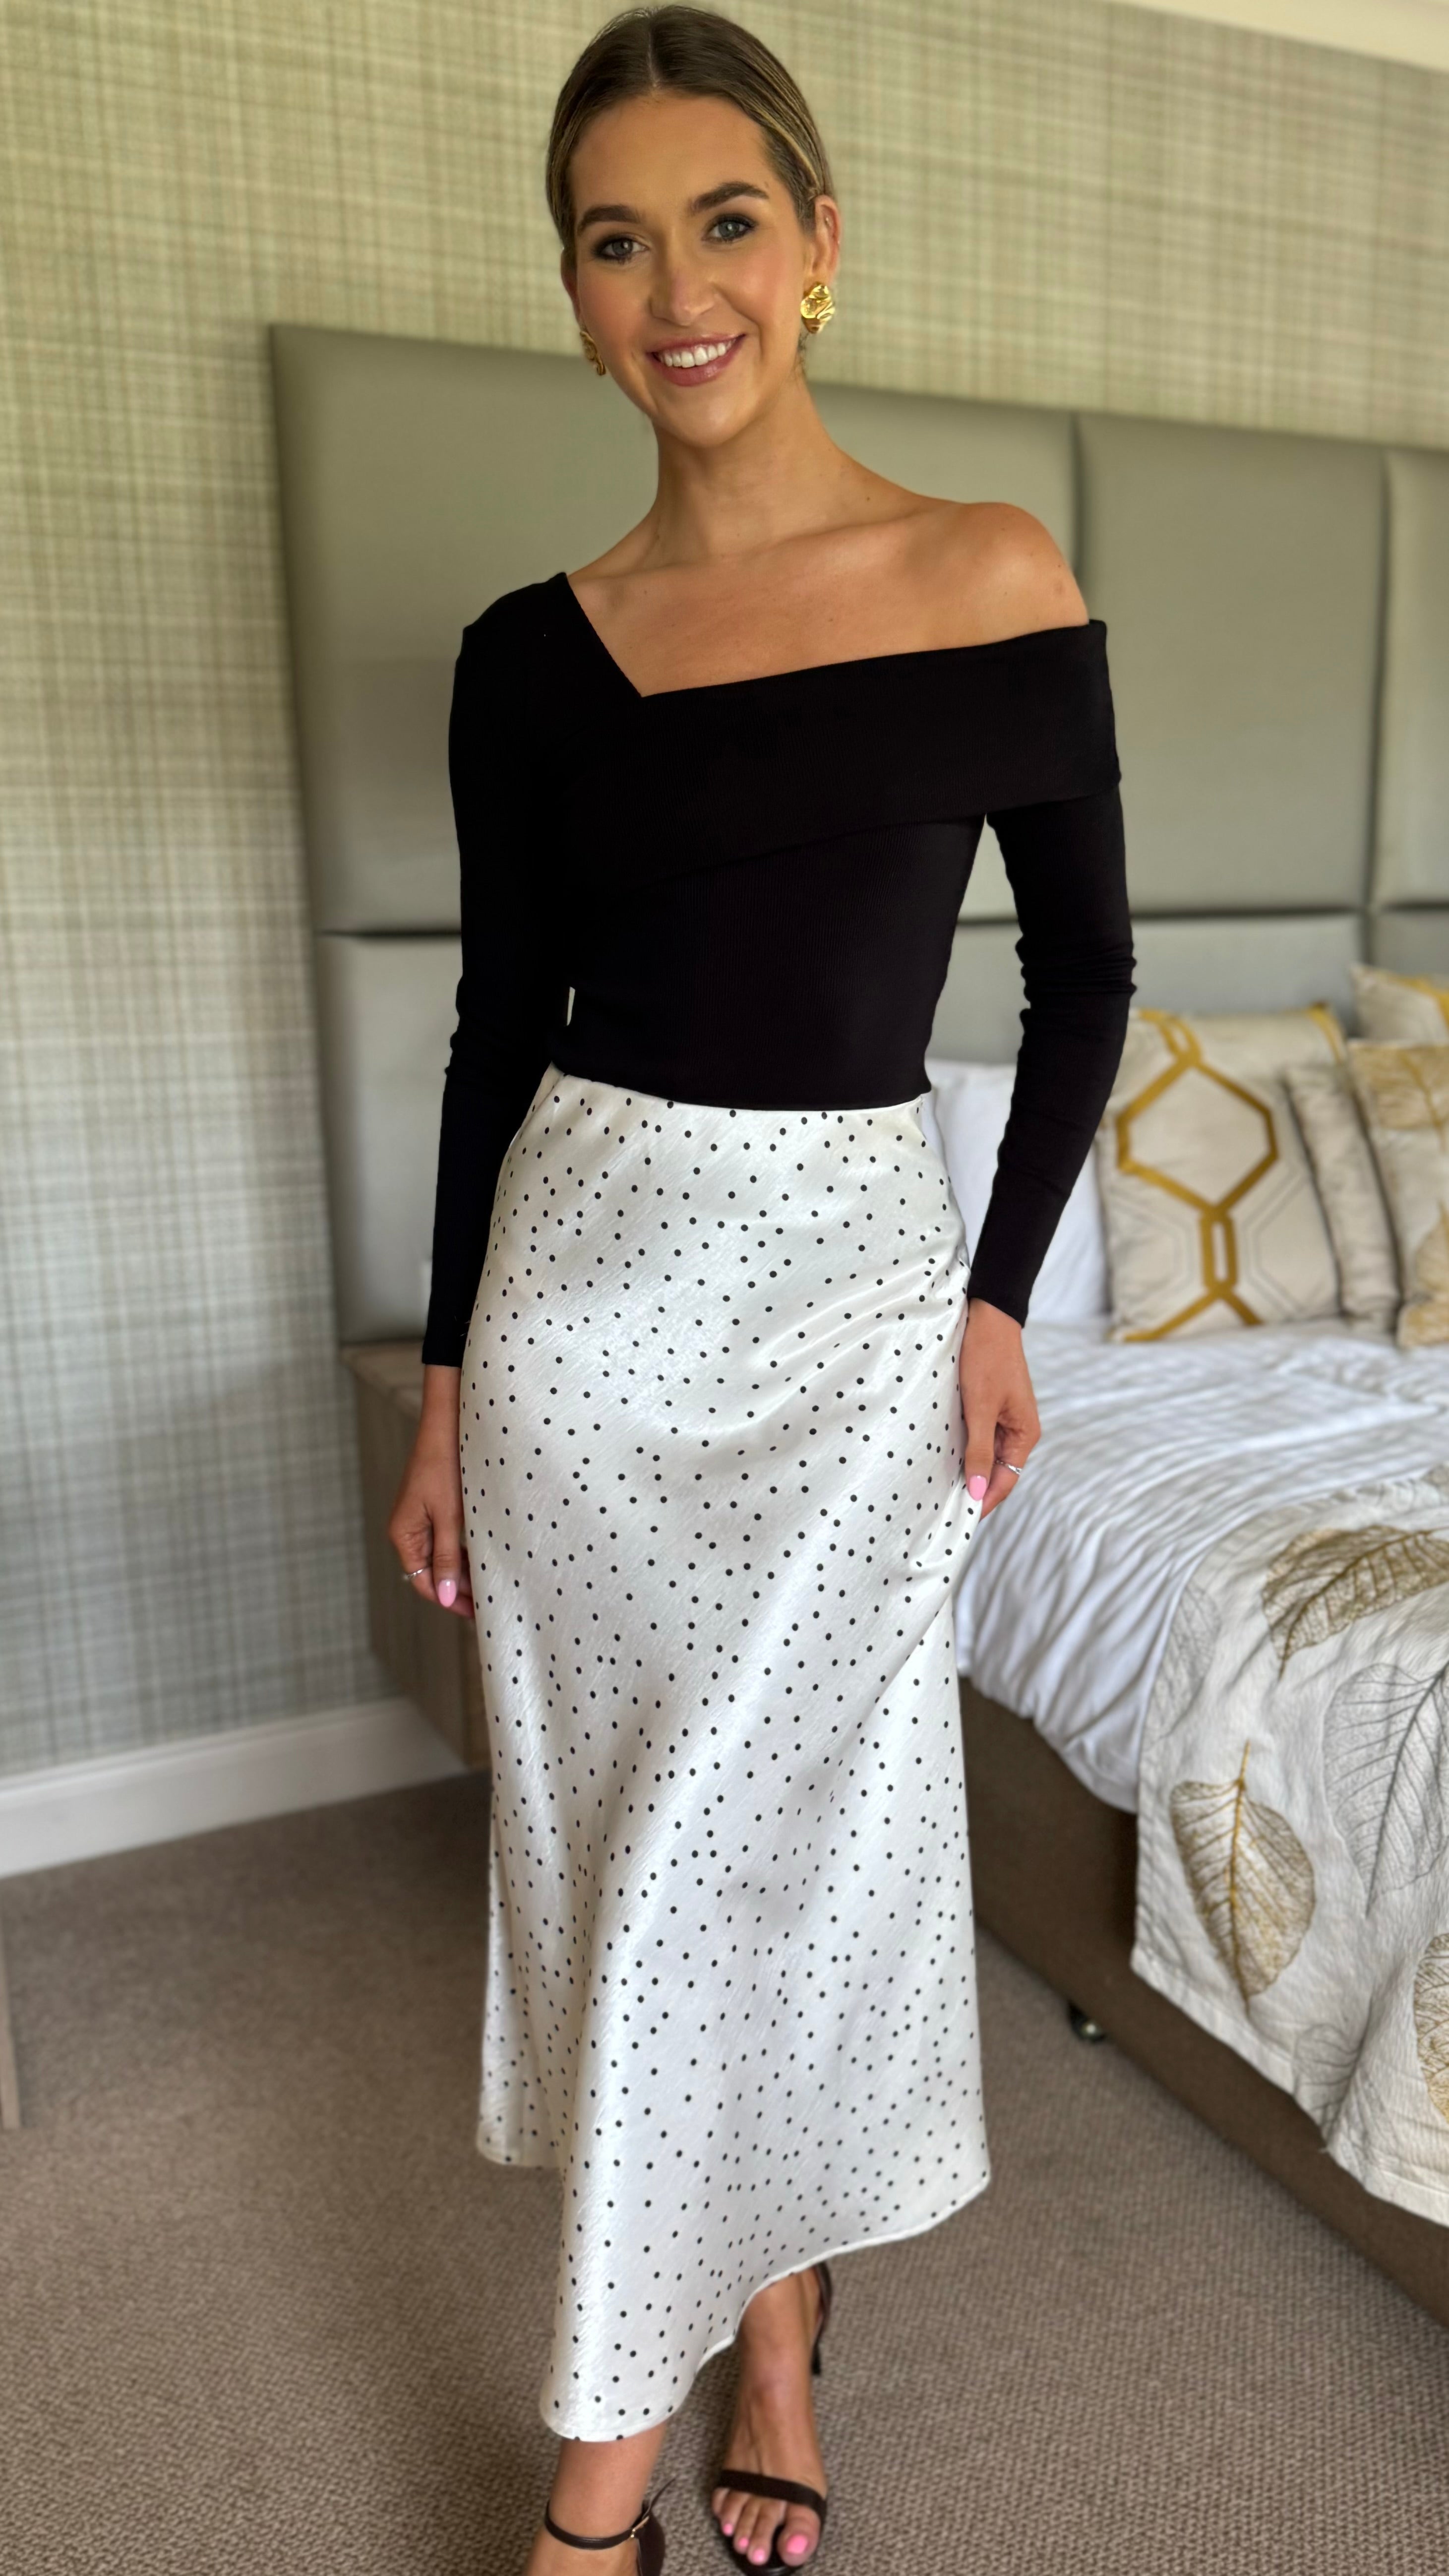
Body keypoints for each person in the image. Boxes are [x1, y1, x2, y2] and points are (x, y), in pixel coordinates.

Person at [387, 9, 1135, 2572]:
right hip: (583, 1304)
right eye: (616, 241)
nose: (675, 288)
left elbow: (1081, 979)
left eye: (723, 222)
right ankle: (758, 2327)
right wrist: (447, 1377)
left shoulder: (991, 574)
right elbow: (499, 1026)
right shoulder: (530, 654)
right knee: (634, 1866)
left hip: (848, 1303)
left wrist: (999, 1296)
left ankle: (604, 2475)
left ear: (819, 245)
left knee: (777, 1857)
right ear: (576, 294)